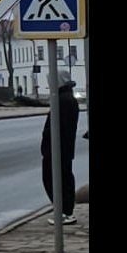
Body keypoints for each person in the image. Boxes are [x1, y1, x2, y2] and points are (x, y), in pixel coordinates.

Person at [40, 87, 81, 224]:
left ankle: (64, 212)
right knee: (63, 178)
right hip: (63, 148)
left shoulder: (62, 100)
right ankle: (65, 211)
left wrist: (48, 141)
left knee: (55, 179)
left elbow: (58, 127)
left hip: (57, 149)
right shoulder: (67, 98)